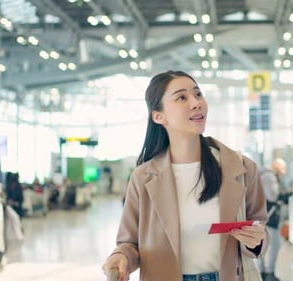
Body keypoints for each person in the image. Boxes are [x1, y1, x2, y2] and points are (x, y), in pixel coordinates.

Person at [101, 70, 269, 281]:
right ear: (158, 116)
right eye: (182, 97)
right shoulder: (143, 177)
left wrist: (256, 240)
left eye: (198, 94)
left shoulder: (241, 168)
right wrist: (121, 256)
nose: (196, 102)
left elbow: (260, 227)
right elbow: (130, 242)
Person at [259, 157, 291, 281]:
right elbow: (273, 196)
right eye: (283, 168)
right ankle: (268, 273)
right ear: (276, 166)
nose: (284, 170)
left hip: (265, 215)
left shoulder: (269, 175)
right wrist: (288, 194)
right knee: (274, 244)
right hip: (268, 215)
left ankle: (264, 272)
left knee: (266, 244)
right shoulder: (269, 176)